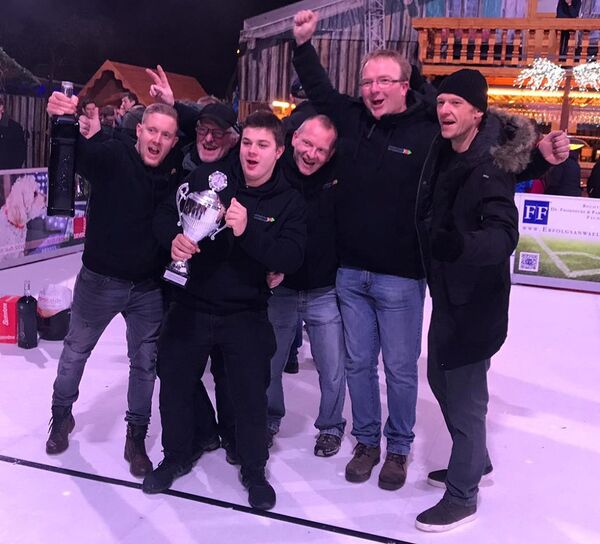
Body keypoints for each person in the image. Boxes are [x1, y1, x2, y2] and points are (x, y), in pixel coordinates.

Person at [291, 9, 570, 492]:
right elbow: (318, 89)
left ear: (405, 85)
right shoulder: (353, 119)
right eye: (367, 81)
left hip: (401, 276)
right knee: (359, 364)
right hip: (350, 274)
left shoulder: (429, 127)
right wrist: (301, 45)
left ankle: (398, 449)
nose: (374, 89)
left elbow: (481, 161)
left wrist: (535, 159)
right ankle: (367, 442)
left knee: (400, 369)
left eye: (385, 81)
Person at [414, 68, 567, 532]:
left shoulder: (487, 167)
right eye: (442, 102)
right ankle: (474, 461)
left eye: (456, 104)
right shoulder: (448, 148)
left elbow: (503, 237)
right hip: (447, 295)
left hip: (475, 303)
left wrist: (459, 246)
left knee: (465, 399)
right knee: (439, 376)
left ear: (477, 113)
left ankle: (463, 495)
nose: (445, 110)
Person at [143, 111, 306, 511]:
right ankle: (177, 454)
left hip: (245, 311)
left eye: (263, 145)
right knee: (175, 381)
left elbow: (291, 256)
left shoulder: (290, 201)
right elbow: (167, 212)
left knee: (250, 395)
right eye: (248, 142)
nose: (252, 151)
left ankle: (253, 469)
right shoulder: (211, 178)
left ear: (279, 151)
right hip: (192, 303)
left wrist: (250, 229)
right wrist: (175, 240)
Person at [44, 92, 180, 479]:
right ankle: (61, 416)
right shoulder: (113, 155)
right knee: (74, 353)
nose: (157, 140)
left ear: (174, 140)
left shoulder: (175, 172)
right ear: (138, 131)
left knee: (145, 364)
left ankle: (135, 437)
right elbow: (78, 155)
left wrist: (175, 104)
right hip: (100, 281)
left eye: (166, 135)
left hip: (148, 287)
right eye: (151, 130)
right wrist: (62, 118)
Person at [146, 65, 240, 462]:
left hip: (225, 287)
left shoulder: (241, 170)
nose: (208, 139)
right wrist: (172, 239)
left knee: (227, 370)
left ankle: (236, 437)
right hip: (178, 281)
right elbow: (166, 212)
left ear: (232, 139)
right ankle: (201, 433)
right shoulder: (180, 159)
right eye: (202, 131)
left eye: (218, 134)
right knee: (174, 363)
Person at [266, 114, 347, 456]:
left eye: (321, 150)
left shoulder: (339, 177)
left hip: (323, 290)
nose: (312, 154)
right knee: (268, 362)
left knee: (331, 367)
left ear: (331, 155)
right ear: (294, 138)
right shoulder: (272, 168)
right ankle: (268, 418)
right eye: (307, 144)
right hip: (279, 291)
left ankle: (330, 426)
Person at [0, 96, 26, 170]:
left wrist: (12, 172)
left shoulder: (14, 128)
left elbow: (20, 153)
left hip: (7, 173)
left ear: (1, 108)